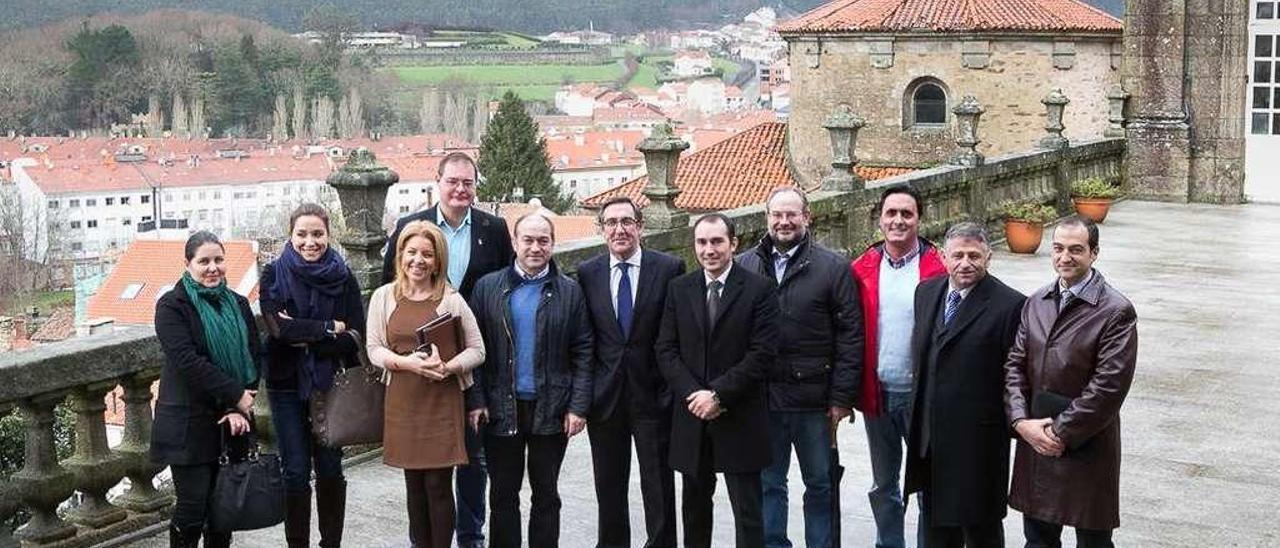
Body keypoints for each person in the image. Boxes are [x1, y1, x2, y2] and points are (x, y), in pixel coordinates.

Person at [382, 152, 512, 548]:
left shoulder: (495, 228)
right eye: (452, 181)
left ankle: (470, 538)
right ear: (436, 182)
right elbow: (393, 290)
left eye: (468, 183)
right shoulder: (410, 228)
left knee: (472, 461)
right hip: (420, 372)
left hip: (472, 365)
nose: (460, 189)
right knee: (424, 475)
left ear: (475, 185)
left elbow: (504, 290)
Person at [736, 187, 862, 548]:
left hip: (814, 401)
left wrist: (841, 397)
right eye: (777, 215)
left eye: (792, 214)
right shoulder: (746, 265)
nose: (784, 221)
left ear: (807, 217)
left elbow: (851, 337)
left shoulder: (833, 267)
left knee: (820, 484)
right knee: (769, 483)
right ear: (767, 218)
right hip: (763, 400)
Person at [1004, 216, 1138, 548]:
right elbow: (1014, 366)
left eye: (1076, 250)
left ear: (1094, 253)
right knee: (1037, 539)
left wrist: (1060, 433)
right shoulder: (1036, 302)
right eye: (1058, 248)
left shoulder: (1115, 311)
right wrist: (1021, 422)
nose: (1065, 257)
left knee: (1093, 540)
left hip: (1086, 442)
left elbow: (1108, 387)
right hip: (1036, 438)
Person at [467, 213, 593, 548]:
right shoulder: (487, 288)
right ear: (514, 243)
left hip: (551, 407)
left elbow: (583, 352)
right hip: (500, 406)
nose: (535, 248)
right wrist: (476, 400)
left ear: (553, 243)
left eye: (543, 241)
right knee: (503, 495)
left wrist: (578, 407)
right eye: (528, 240)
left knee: (546, 494)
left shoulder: (570, 291)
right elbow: (474, 351)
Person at [656, 213, 778, 548]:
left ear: (733, 244)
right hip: (692, 417)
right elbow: (665, 349)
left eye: (716, 241)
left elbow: (763, 353)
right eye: (701, 242)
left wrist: (719, 395)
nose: (709, 250)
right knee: (694, 511)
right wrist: (696, 395)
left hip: (739, 415)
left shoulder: (759, 289)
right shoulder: (679, 289)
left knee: (748, 514)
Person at [903, 222, 1026, 548]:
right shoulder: (926, 293)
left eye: (974, 255)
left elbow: (1015, 375)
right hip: (930, 440)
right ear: (943, 257)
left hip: (978, 444)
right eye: (957, 255)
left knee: (980, 531)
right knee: (935, 530)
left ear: (989, 257)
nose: (965, 263)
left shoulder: (1010, 305)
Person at [366, 220, 487, 548]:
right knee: (414, 485)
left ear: (438, 261)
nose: (418, 260)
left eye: (427, 254)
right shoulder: (383, 297)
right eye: (411, 252)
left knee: (437, 485)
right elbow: (373, 349)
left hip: (441, 400)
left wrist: (447, 367)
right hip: (403, 399)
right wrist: (407, 364)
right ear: (400, 254)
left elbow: (478, 350)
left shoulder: (451, 299)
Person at [577, 197, 686, 548]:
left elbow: (677, 334)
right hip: (606, 399)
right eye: (611, 223)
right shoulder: (587, 273)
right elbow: (586, 338)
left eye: (626, 221)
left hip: (654, 396)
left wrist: (672, 391)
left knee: (659, 485)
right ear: (602, 229)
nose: (619, 229)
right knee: (608, 486)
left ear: (640, 226)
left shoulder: (669, 268)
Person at [260, 204, 367, 548]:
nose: (310, 241)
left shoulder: (344, 276)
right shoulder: (273, 274)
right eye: (302, 234)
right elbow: (278, 330)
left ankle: (331, 543)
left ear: (328, 234)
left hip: (331, 384)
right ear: (290, 236)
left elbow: (355, 335)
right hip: (285, 386)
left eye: (317, 233)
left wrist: (308, 338)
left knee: (330, 467)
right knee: (293, 469)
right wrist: (326, 329)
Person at [849, 184, 945, 548]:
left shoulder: (940, 268)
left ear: (920, 218)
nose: (898, 221)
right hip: (879, 394)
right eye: (891, 213)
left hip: (924, 397)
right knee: (884, 483)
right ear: (880, 219)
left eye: (907, 213)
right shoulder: (861, 269)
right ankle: (888, 543)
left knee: (927, 484)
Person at [152, 231, 261, 548]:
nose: (213, 267)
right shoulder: (172, 306)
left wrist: (235, 406)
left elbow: (254, 355)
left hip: (232, 421)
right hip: (188, 422)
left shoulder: (239, 303)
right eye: (204, 261)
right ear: (188, 264)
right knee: (192, 509)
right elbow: (188, 363)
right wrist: (235, 396)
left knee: (222, 511)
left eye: (218, 260)